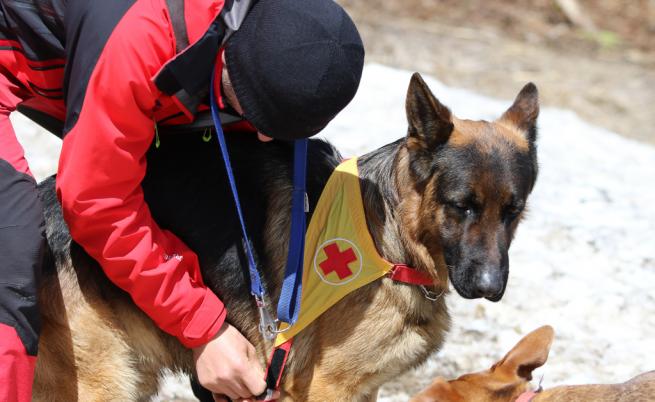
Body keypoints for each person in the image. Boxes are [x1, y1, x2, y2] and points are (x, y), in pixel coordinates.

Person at [0, 0, 365, 401]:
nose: (263, 137)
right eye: (258, 117)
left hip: (102, 63)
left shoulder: (273, 30)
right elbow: (97, 204)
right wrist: (203, 327)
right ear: (229, 56)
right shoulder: (144, 40)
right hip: (27, 52)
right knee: (11, 254)